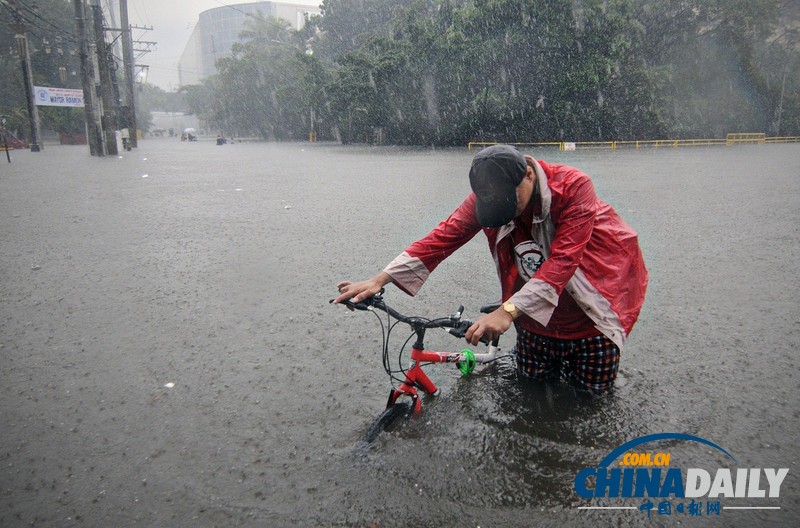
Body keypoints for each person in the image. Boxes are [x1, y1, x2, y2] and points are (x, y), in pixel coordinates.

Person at [334, 144, 648, 394]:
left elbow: (563, 262)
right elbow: (444, 236)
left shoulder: (574, 187)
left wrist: (506, 312)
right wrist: (380, 278)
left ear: (528, 174)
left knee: (590, 400)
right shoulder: (487, 195)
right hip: (535, 318)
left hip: (591, 316)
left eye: (508, 206)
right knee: (533, 393)